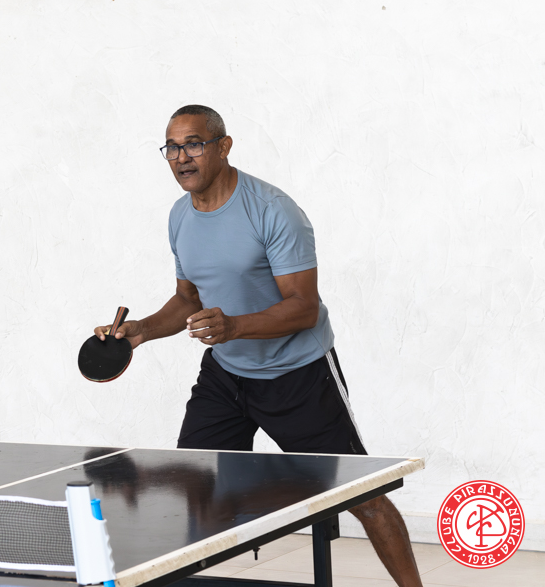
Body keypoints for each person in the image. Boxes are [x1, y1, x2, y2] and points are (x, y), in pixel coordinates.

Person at [93, 104, 423, 587]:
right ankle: (280, 491)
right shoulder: (180, 217)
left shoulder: (272, 210)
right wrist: (142, 329)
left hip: (299, 375)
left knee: (363, 496)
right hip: (227, 376)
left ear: (223, 146)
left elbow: (303, 308)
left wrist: (233, 327)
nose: (181, 157)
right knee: (197, 488)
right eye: (172, 148)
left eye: (194, 144)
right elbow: (188, 298)